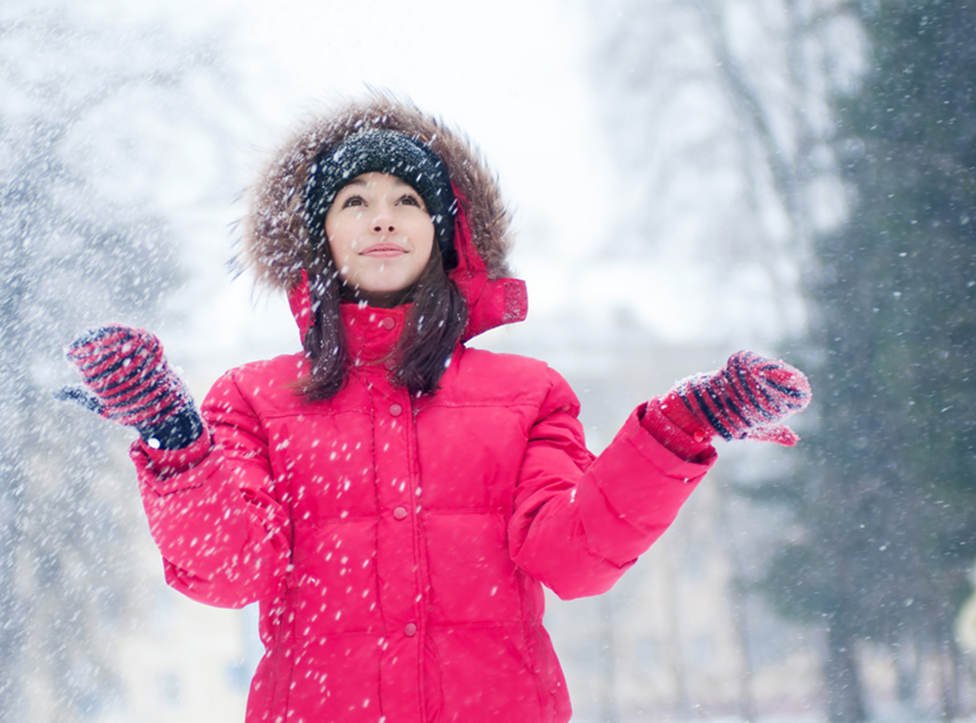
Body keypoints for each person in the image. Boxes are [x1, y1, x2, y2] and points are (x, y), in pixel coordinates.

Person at [60, 95, 811, 722]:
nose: (381, 219)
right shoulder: (255, 400)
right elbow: (231, 570)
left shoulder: (528, 394)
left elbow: (573, 558)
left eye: (406, 201)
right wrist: (174, 437)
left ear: (446, 234)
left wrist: (683, 427)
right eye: (354, 202)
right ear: (319, 237)